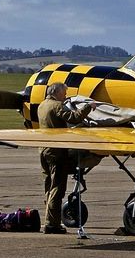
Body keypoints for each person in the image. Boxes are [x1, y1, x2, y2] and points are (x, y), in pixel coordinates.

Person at [37, 82, 94, 234]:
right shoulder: (56, 106)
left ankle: (49, 221)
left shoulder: (42, 105)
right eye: (64, 93)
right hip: (56, 152)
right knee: (57, 187)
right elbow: (74, 118)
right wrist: (89, 107)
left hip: (43, 150)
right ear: (57, 92)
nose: (66, 96)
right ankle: (52, 225)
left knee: (49, 186)